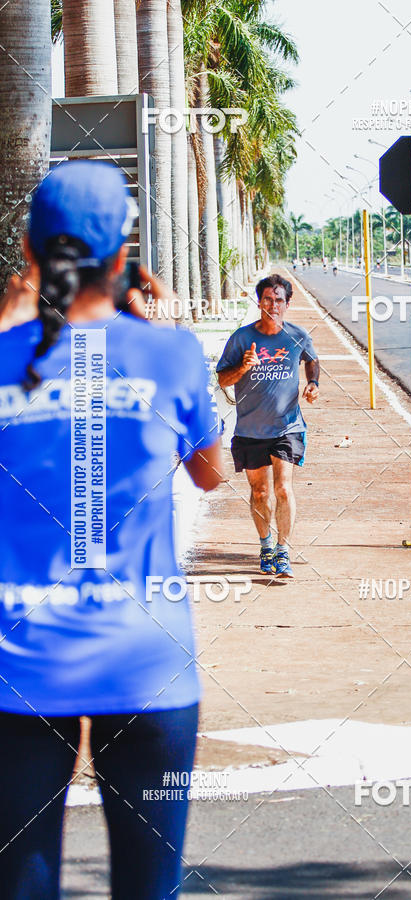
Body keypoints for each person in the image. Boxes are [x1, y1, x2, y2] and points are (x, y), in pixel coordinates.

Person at [0, 160, 223, 900]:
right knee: (149, 887)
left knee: (21, 884)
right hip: (146, 663)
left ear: (29, 254)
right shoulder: (171, 355)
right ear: (124, 258)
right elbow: (211, 473)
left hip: (20, 671)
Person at [216, 273, 320, 579]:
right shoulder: (241, 338)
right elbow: (223, 379)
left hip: (287, 426)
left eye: (279, 300)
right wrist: (243, 366)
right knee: (260, 492)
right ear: (258, 301)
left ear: (287, 303)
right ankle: (265, 547)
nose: (273, 305)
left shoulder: (297, 335)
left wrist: (313, 383)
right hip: (249, 430)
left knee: (283, 489)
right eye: (267, 299)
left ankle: (283, 549)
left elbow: (312, 359)